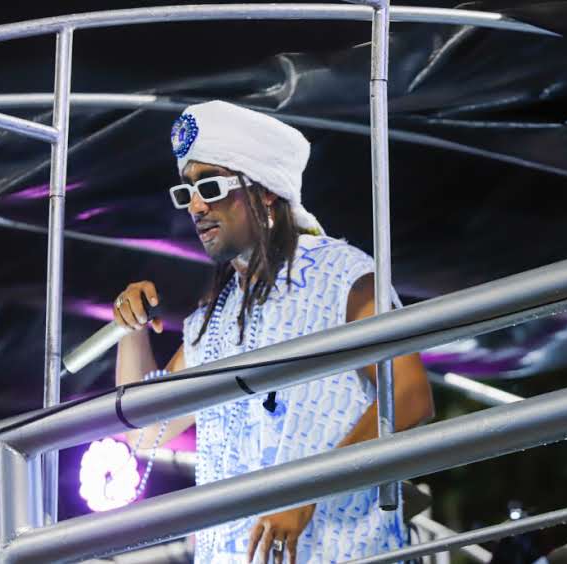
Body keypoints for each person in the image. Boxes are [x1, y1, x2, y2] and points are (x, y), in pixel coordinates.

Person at [114, 100, 434, 564]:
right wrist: (131, 330)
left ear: (265, 192)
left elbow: (410, 396)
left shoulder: (340, 271)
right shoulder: (214, 316)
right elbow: (145, 434)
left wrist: (308, 487)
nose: (197, 206)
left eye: (211, 186)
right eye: (187, 192)